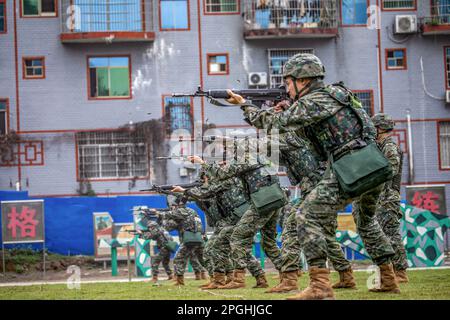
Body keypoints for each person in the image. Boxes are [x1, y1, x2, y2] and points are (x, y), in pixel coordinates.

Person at [226, 53, 399, 299]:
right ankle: (390, 278)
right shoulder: (337, 94)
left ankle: (320, 287)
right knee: (367, 222)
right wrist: (293, 111)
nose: (286, 88)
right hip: (373, 164)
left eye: (288, 83)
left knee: (305, 215)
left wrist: (244, 104)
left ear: (303, 80)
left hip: (349, 166)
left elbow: (275, 124)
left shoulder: (315, 100)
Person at [371, 113, 409, 283]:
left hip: (388, 197)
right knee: (385, 235)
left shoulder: (390, 147)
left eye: (374, 128)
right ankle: (392, 270)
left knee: (391, 234)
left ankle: (400, 272)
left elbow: (390, 170)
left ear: (380, 128)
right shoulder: (381, 146)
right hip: (382, 197)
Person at [161, 195, 205, 286]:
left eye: (173, 205)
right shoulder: (191, 211)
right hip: (199, 238)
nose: (172, 207)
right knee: (202, 259)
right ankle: (216, 277)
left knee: (178, 259)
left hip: (189, 239)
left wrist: (161, 216)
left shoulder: (180, 212)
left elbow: (167, 226)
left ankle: (179, 281)